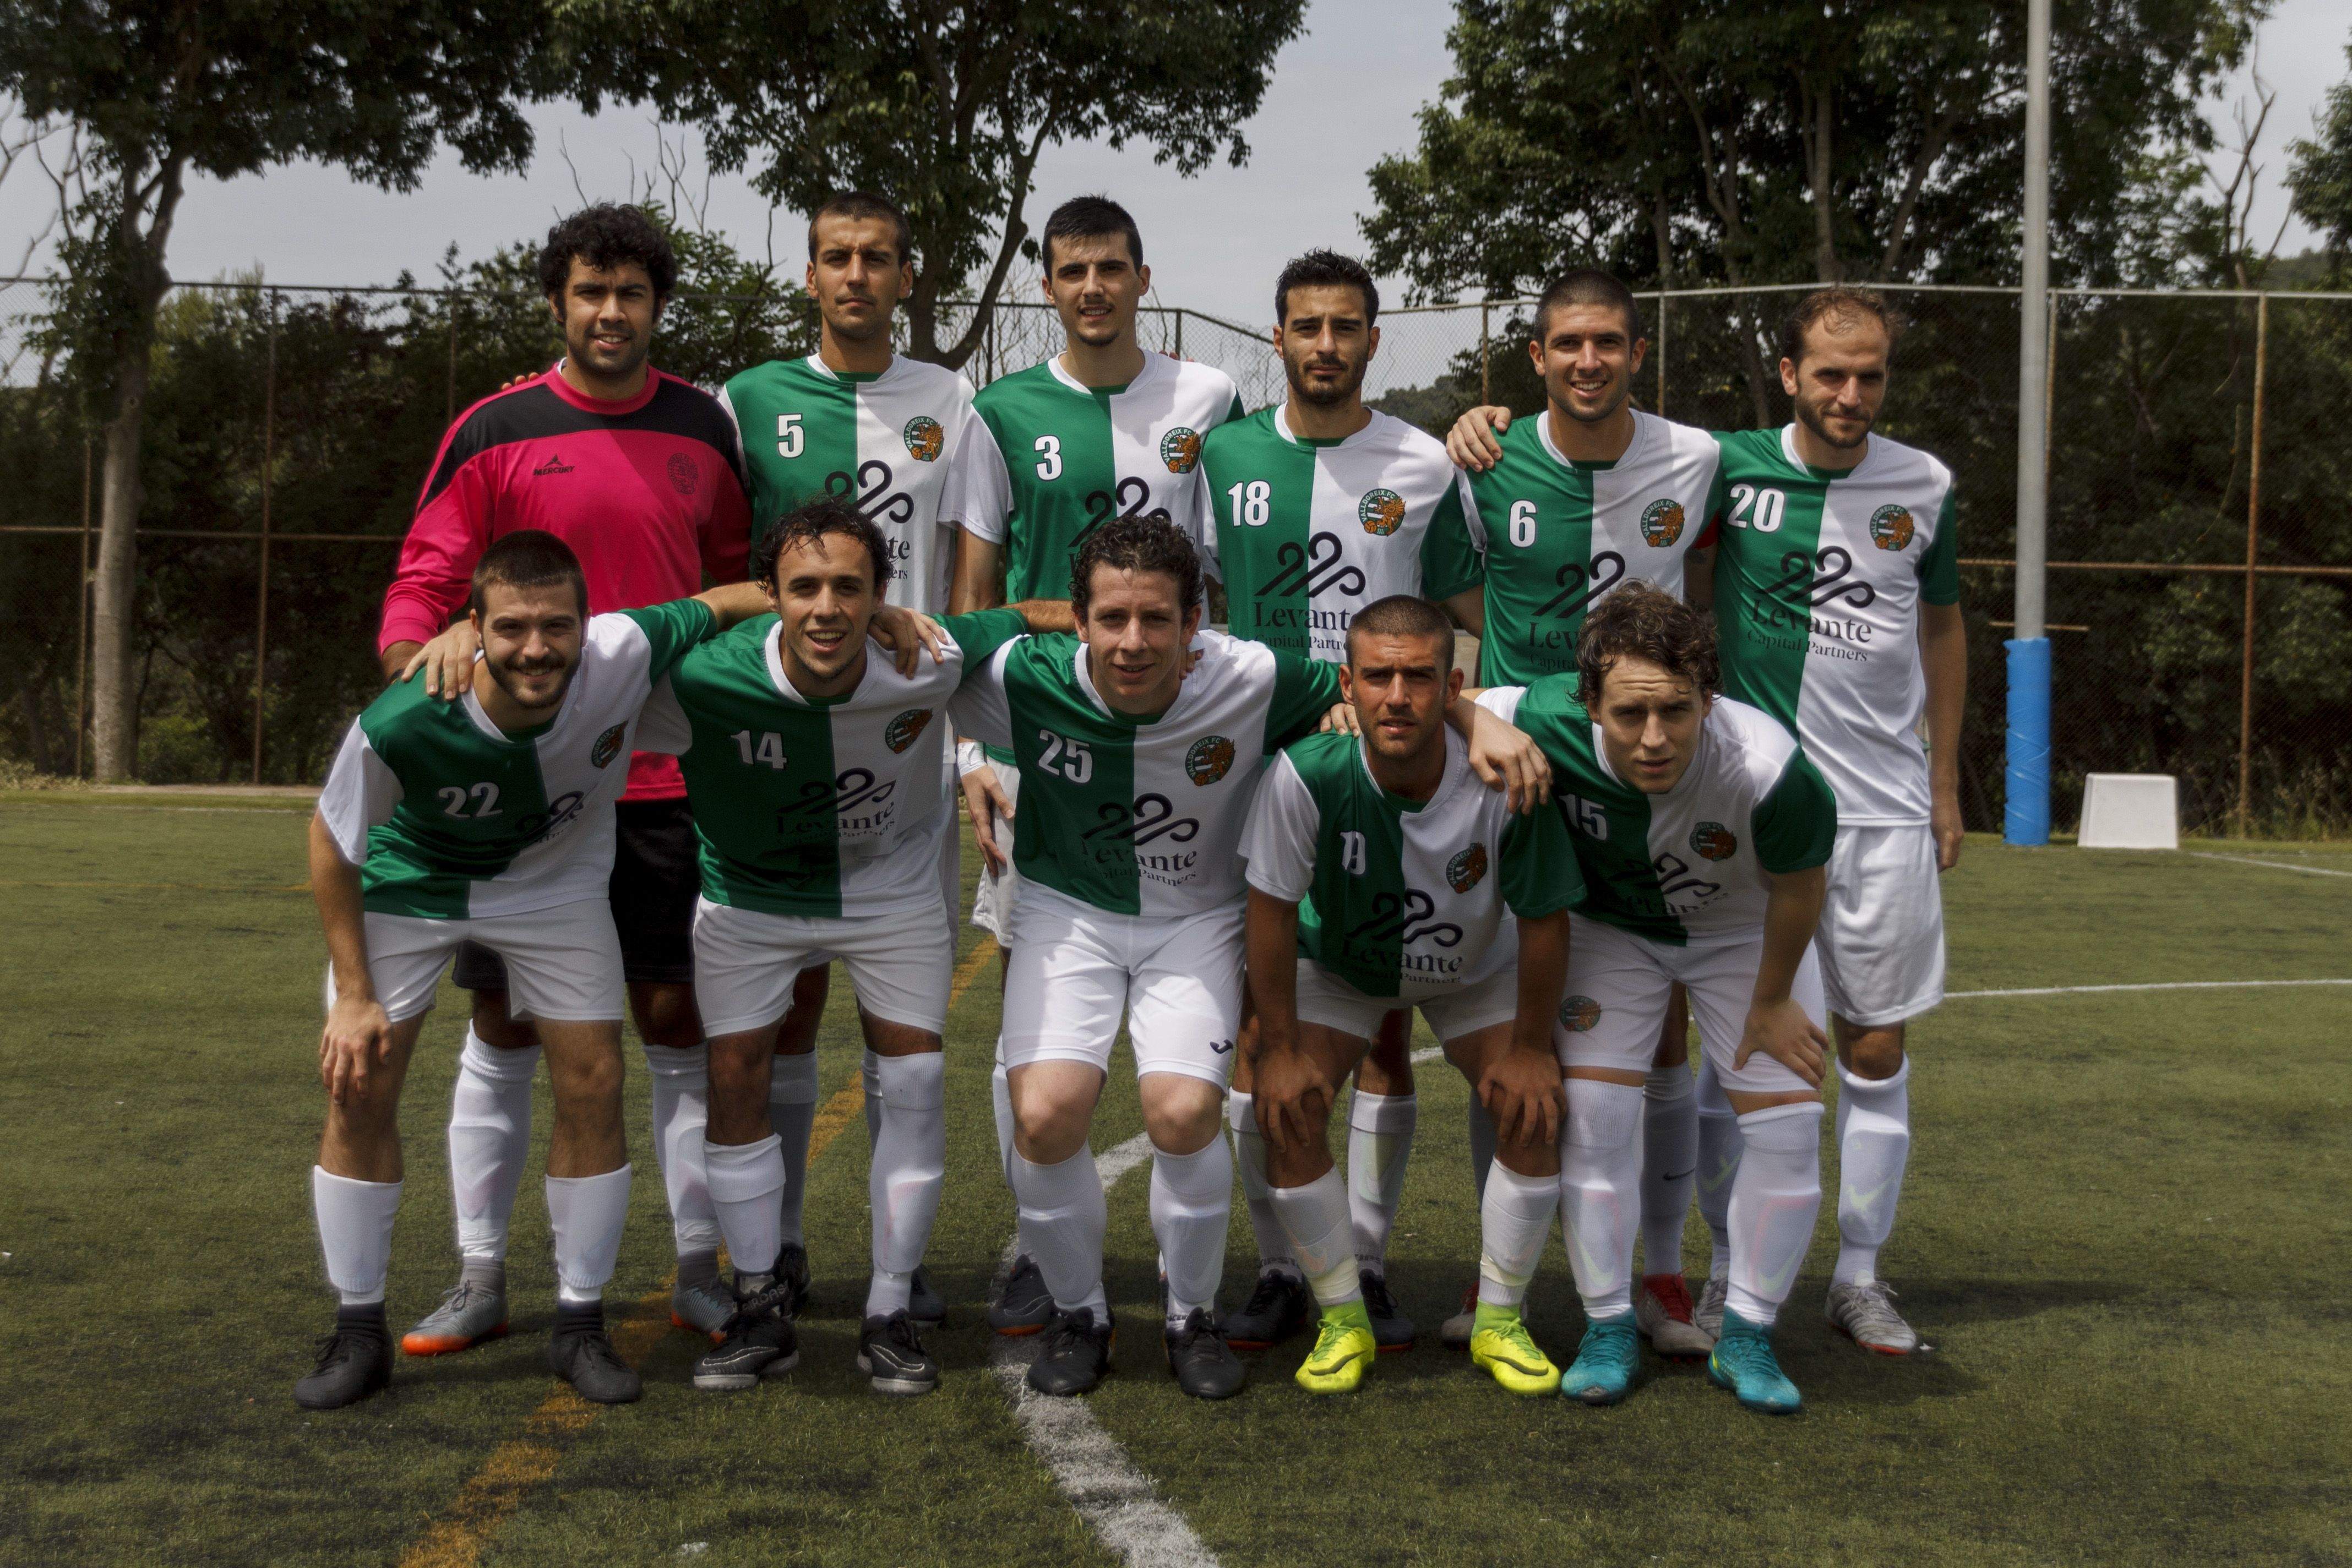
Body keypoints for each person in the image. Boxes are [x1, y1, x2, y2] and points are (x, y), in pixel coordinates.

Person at [946, 516, 1547, 1400]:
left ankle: (1189, 1316)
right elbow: (928, 648)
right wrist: (975, 736)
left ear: (1199, 624)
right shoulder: (1021, 677)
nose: (1133, 641)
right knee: (1043, 1116)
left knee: (1184, 1112)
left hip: (1196, 919)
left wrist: (1470, 715)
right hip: (1067, 916)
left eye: (1157, 620)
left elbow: (1391, 684)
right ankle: (1083, 1313)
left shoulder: (1255, 677)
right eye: (1109, 618)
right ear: (1077, 620)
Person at [377, 204, 754, 1355]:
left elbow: (736, 587)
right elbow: (424, 585)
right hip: (525, 800)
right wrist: (423, 666)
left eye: (630, 293)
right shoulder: (495, 426)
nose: (608, 313)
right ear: (557, 303)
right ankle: (481, 1274)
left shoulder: (704, 426)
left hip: (662, 786)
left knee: (671, 1016)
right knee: (506, 1023)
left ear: (656, 306)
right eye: (589, 292)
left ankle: (699, 1265)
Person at [301, 532, 765, 1410]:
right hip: (414, 889)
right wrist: (354, 995)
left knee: (593, 1077)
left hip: (553, 893)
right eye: (510, 627)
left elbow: (734, 598)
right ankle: (357, 1329)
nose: (537, 647)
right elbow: (332, 840)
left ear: (590, 626)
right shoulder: (406, 715)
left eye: (558, 626)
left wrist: (862, 615)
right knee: (359, 1083)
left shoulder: (623, 651)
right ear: (472, 629)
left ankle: (578, 1325)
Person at [631, 495, 1054, 1396]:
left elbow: (1028, 615)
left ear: (883, 598)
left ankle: (890, 1309)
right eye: (805, 587)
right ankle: (757, 1304)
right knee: (736, 1075)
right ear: (770, 595)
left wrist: (1187, 639)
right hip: (749, 899)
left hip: (889, 890)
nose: (827, 607)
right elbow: (586, 667)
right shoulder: (704, 678)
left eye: (850, 588)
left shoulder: (925, 657)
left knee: (912, 1077)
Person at [941, 194, 1249, 1335]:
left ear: (1142, 274)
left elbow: (1228, 574)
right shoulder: (1001, 409)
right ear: (1046, 285)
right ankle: (1037, 1241)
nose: (1092, 288)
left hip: (1177, 721)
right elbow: (973, 592)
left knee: (1190, 1028)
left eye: (1111, 267)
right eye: (1071, 271)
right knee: (1035, 979)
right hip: (1044, 729)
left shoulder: (1208, 399)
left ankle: (1201, 1289)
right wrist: (971, 749)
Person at [1192, 249, 1488, 1355]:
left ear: (1374, 340)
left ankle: (1363, 1254)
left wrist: (1476, 713)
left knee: (1383, 1017)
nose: (1326, 344)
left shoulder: (1420, 457)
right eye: (1306, 325)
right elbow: (1191, 597)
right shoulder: (1224, 454)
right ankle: (1282, 1263)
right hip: (1247, 758)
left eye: (1346, 326)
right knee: (1254, 1018)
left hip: (1381, 761)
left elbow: (1477, 597)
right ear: (1277, 338)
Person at [1431, 269, 1727, 1357]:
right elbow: (1452, 589)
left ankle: (1661, 1278)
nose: (1588, 360)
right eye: (1568, 344)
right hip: (1518, 766)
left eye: (1607, 341)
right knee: (1509, 1020)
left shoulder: (1699, 457)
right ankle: (1494, 1278)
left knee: (1663, 1032)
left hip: (1645, 770)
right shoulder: (1485, 457)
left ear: (1636, 353)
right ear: (1537, 358)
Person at [1471, 584, 1837, 1415]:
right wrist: (1474, 719)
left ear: (1710, 697)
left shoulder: (1769, 765)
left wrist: (1774, 999)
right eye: (1629, 714)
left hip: (1742, 935)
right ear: (1587, 699)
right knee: (1595, 1122)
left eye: (1677, 711)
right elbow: (1450, 705)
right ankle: (1607, 1326)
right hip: (1612, 933)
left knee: (1787, 1127)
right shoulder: (1543, 712)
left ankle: (1746, 1332)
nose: (1654, 738)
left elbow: (1798, 885)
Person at [715, 188, 981, 1328]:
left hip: (905, 743)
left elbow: (969, 570)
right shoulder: (750, 397)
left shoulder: (951, 397)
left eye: (879, 258)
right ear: (810, 276)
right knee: (781, 1012)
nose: (859, 275)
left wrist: (964, 717)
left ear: (907, 277)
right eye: (838, 257)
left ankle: (896, 1260)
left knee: (897, 1023)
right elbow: (736, 563)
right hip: (782, 736)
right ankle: (769, 1249)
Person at [1700, 286, 1966, 1355]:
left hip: (1885, 811)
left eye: (1871, 376)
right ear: (1790, 375)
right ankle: (1727, 1270)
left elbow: (1943, 628)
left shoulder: (1927, 483)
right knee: (1744, 1051)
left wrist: (1946, 779)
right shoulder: (1722, 467)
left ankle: (1859, 1273)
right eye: (1831, 374)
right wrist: (1482, 424)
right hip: (1754, 810)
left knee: (1876, 1041)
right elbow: (1605, 448)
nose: (1851, 394)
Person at [1242, 596, 1577, 1396]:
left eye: (1420, 678)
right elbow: (1272, 913)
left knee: (1533, 1106)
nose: (1398, 696)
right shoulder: (1306, 773)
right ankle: (1340, 1318)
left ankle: (1500, 1320)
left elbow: (1543, 922)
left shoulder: (1507, 776)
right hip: (1345, 970)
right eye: (1380, 677)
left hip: (1474, 973)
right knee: (1285, 1101)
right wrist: (1281, 1047)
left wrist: (1532, 1048)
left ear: (1452, 684)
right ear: (1347, 686)